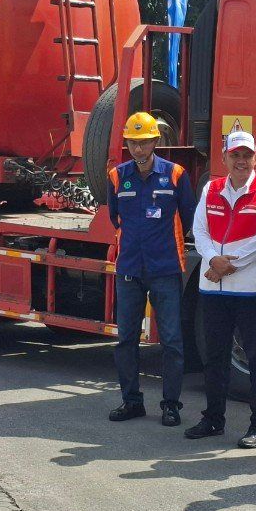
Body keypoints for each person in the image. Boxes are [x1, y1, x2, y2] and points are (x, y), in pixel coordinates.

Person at [186, 130, 256, 447]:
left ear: (255, 158)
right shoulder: (211, 189)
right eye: (235, 155)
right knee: (214, 359)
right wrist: (214, 259)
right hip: (213, 289)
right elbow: (199, 230)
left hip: (250, 291)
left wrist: (229, 265)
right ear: (225, 158)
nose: (241, 161)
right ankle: (213, 419)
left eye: (247, 155)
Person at [105, 112, 196, 427]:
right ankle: (131, 402)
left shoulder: (175, 175)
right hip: (129, 269)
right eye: (132, 142)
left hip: (165, 269)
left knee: (171, 340)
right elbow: (115, 217)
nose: (138, 149)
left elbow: (189, 216)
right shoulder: (118, 176)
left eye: (144, 143)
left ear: (156, 141)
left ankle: (171, 405)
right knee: (126, 339)